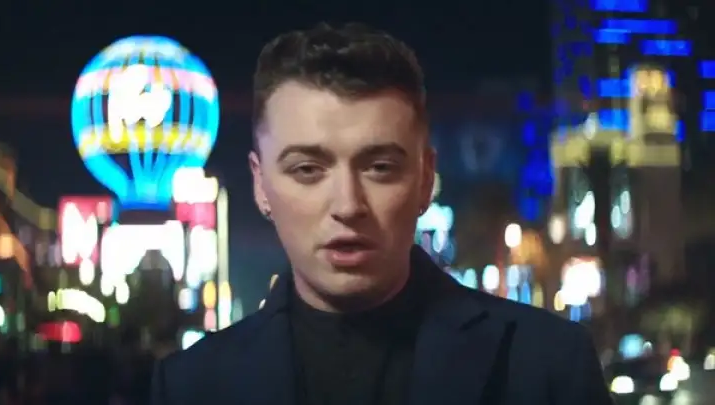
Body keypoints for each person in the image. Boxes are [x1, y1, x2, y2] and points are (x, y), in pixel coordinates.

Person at [150, 23, 614, 405]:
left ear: (425, 179)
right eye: (308, 169)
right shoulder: (192, 386)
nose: (348, 205)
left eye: (380, 168)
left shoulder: (546, 364)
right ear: (260, 184)